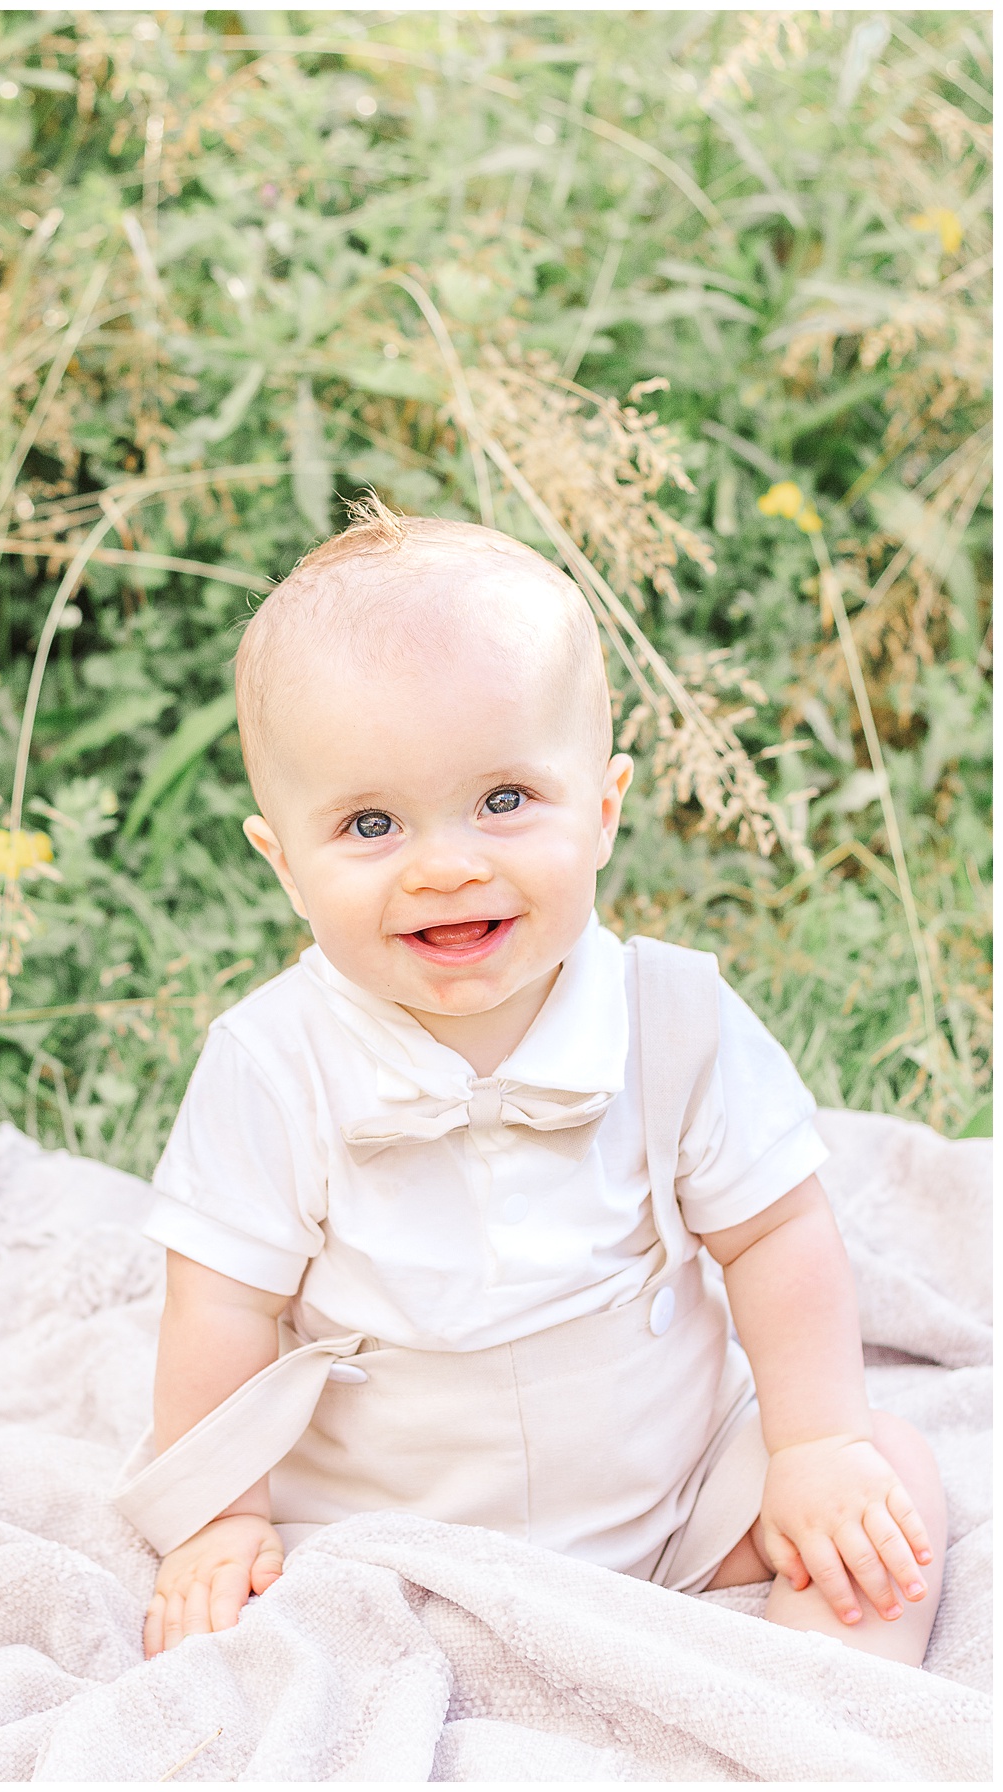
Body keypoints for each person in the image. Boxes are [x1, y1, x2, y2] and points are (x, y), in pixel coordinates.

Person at [125, 499, 945, 1667]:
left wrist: (814, 1442)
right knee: (246, 1651)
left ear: (604, 809)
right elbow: (218, 1305)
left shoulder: (675, 1020)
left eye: (504, 800)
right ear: (285, 865)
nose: (448, 863)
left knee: (888, 1480)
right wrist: (220, 1516)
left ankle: (806, 1714)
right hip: (380, 1542)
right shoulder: (274, 1062)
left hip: (667, 1510)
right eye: (370, 823)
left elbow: (777, 1237)